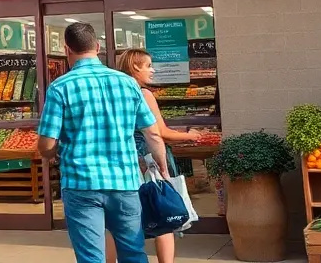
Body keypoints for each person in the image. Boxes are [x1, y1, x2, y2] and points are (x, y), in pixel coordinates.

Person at [38, 23, 169, 263]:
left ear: (67, 49)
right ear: (97, 47)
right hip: (125, 181)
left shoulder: (60, 87)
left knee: (91, 257)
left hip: (81, 183)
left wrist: (54, 153)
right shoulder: (128, 84)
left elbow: (46, 144)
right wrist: (163, 167)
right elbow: (153, 134)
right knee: (133, 252)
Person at [111, 49, 202, 263]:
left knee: (117, 221)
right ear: (135, 67)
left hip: (122, 159)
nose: (152, 70)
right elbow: (158, 131)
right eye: (148, 66)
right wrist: (189, 136)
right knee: (162, 212)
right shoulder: (143, 94)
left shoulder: (113, 93)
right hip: (148, 157)